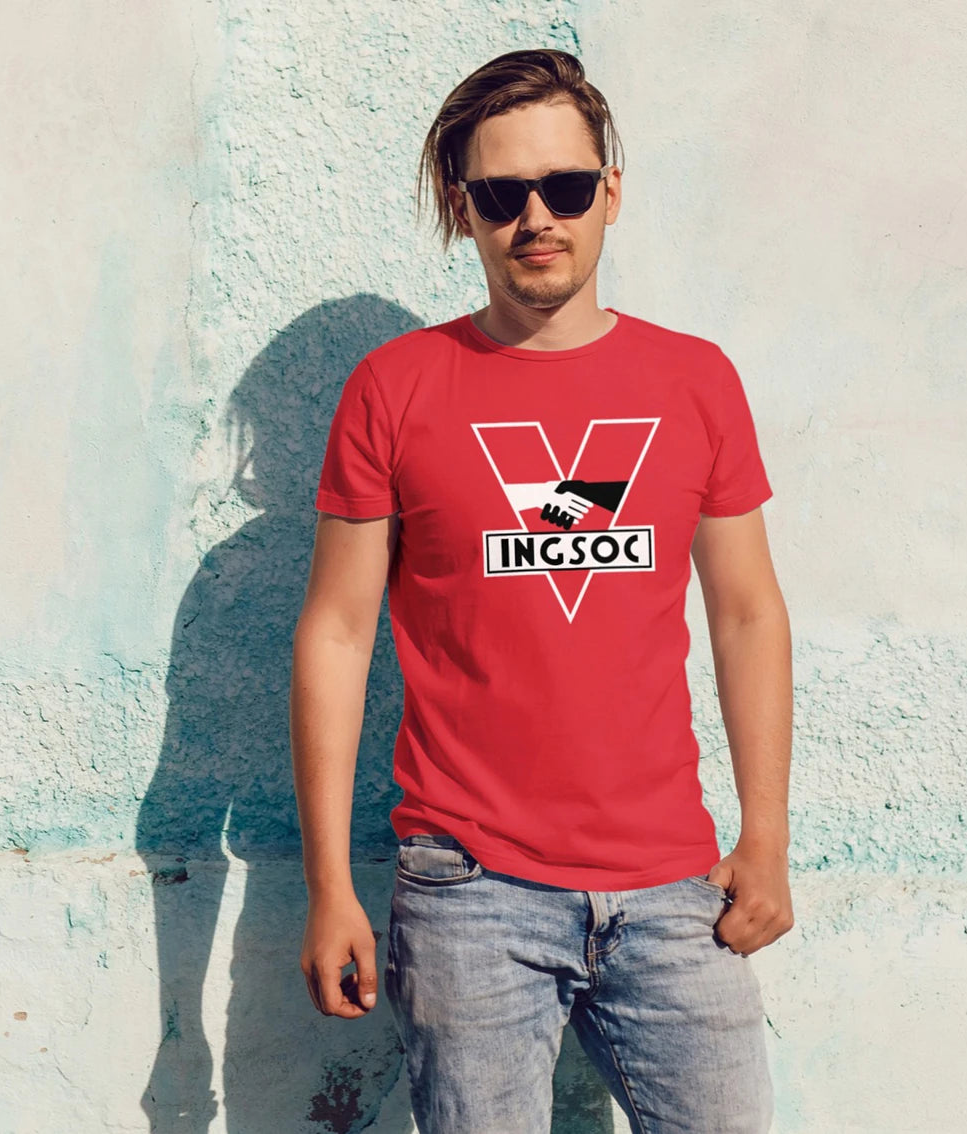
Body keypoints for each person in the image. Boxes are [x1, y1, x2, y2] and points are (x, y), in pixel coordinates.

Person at [290, 47, 793, 1134]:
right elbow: (336, 635)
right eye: (502, 193)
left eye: (565, 187)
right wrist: (329, 883)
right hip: (468, 888)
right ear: (458, 206)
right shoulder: (395, 388)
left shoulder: (695, 381)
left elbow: (747, 611)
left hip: (671, 886)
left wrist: (767, 838)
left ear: (610, 194)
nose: (538, 218)